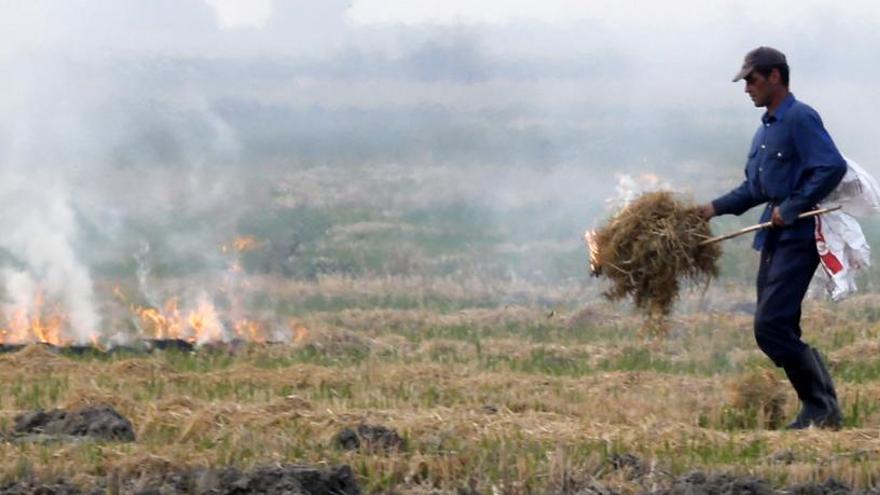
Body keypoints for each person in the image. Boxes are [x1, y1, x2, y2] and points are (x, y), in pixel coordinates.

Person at [698, 47, 846, 429]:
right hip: (774, 235)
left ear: (775, 77)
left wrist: (794, 207)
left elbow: (831, 166)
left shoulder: (799, 117)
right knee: (776, 327)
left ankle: (820, 407)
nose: (746, 87)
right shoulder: (767, 128)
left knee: (771, 325)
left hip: (800, 234)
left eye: (752, 79)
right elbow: (755, 188)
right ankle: (823, 407)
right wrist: (710, 209)